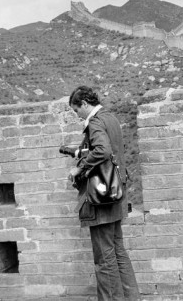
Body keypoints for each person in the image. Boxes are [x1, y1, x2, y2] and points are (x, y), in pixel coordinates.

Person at [67, 86, 140, 300]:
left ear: (85, 104)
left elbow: (103, 150)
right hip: (116, 192)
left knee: (104, 257)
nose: (76, 115)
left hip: (101, 197)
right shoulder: (111, 118)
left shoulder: (96, 121)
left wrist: (79, 168)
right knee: (118, 251)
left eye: (76, 110)